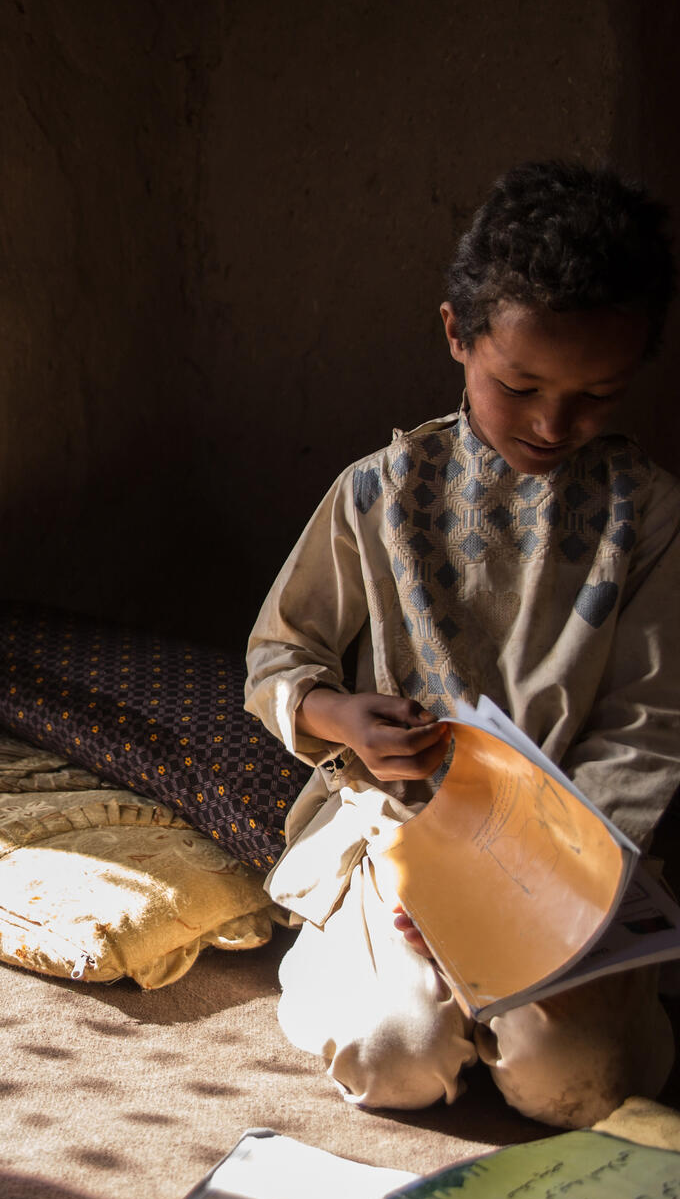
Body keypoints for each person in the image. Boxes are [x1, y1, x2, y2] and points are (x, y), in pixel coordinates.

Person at [244, 160, 680, 1129]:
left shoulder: (646, 518)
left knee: (573, 1079)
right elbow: (277, 658)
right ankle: (384, 965)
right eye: (517, 383)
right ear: (456, 334)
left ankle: (535, 1005)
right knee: (390, 1052)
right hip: (401, 833)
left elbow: (647, 730)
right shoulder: (376, 495)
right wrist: (337, 716)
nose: (549, 423)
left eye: (594, 395)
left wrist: (536, 903)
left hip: (572, 865)